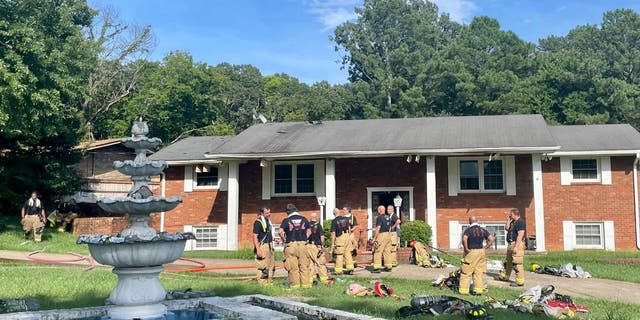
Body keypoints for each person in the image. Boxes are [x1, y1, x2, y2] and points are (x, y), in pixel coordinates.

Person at [459, 216, 495, 295]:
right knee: (478, 272)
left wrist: (466, 248)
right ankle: (478, 290)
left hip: (472, 252)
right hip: (481, 252)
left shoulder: (468, 230)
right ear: (477, 221)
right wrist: (485, 248)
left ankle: (464, 291)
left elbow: (464, 239)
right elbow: (491, 239)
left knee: (466, 271)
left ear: (469, 221)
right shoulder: (482, 230)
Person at [278, 204, 312, 288]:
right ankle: (306, 285)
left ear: (288, 212)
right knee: (304, 265)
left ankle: (295, 286)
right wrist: (305, 239)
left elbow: (280, 231)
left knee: (293, 267)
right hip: (303, 244)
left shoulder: (286, 220)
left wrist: (284, 240)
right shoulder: (304, 219)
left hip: (291, 244)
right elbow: (309, 231)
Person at [499, 208, 526, 286]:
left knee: (517, 263)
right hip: (510, 244)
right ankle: (505, 276)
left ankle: (520, 281)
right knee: (508, 262)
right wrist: (508, 220)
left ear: (515, 214)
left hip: (517, 244)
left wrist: (516, 247)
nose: (510, 215)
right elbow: (507, 228)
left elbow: (520, 235)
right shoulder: (513, 222)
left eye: (511, 214)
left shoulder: (520, 222)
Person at [252, 207, 275, 285]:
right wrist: (258, 250)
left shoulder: (268, 221)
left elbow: (266, 234)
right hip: (262, 246)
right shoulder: (258, 222)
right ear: (262, 213)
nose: (269, 214)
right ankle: (262, 284)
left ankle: (269, 283)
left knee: (271, 266)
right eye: (267, 213)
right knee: (263, 267)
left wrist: (274, 239)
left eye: (269, 212)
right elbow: (255, 236)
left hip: (269, 246)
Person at [331, 208, 355, 275]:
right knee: (348, 253)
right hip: (347, 236)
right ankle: (350, 269)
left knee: (339, 254)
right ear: (339, 212)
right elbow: (349, 229)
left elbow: (333, 233)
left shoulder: (334, 221)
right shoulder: (346, 219)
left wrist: (332, 243)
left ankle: (338, 271)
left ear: (334, 214)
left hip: (340, 238)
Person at [306, 212, 329, 284]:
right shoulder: (318, 226)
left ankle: (311, 278)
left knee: (310, 263)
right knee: (320, 262)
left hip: (308, 245)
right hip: (316, 246)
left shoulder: (307, 225)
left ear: (311, 217)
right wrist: (322, 245)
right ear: (316, 218)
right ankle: (324, 279)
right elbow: (322, 236)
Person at [371, 205, 393, 273]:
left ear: (380, 210)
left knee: (377, 251)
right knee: (387, 252)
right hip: (388, 235)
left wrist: (374, 238)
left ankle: (377, 268)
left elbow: (378, 228)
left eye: (378, 210)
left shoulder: (379, 217)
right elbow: (390, 228)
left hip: (382, 235)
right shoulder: (388, 217)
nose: (377, 211)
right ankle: (388, 267)